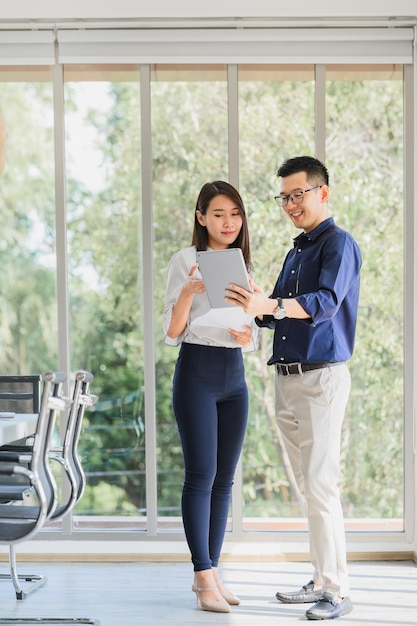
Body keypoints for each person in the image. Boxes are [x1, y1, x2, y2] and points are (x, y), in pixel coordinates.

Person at [225, 156, 362, 620]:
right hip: (287, 378)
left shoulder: (339, 245)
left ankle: (338, 592)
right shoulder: (296, 251)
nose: (290, 203)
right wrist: (254, 303)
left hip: (320, 378)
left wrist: (274, 303)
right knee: (309, 488)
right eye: (284, 196)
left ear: (323, 192)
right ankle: (323, 578)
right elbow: (276, 312)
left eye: (298, 194)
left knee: (321, 487)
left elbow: (322, 304)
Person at [163, 180, 257, 614]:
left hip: (234, 378)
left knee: (224, 480)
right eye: (218, 214)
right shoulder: (185, 260)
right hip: (197, 371)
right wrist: (188, 292)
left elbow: (250, 332)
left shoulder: (243, 263)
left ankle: (215, 571)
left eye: (235, 214)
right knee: (200, 475)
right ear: (201, 216)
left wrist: (247, 333)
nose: (228, 222)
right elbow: (172, 331)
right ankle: (202, 577)